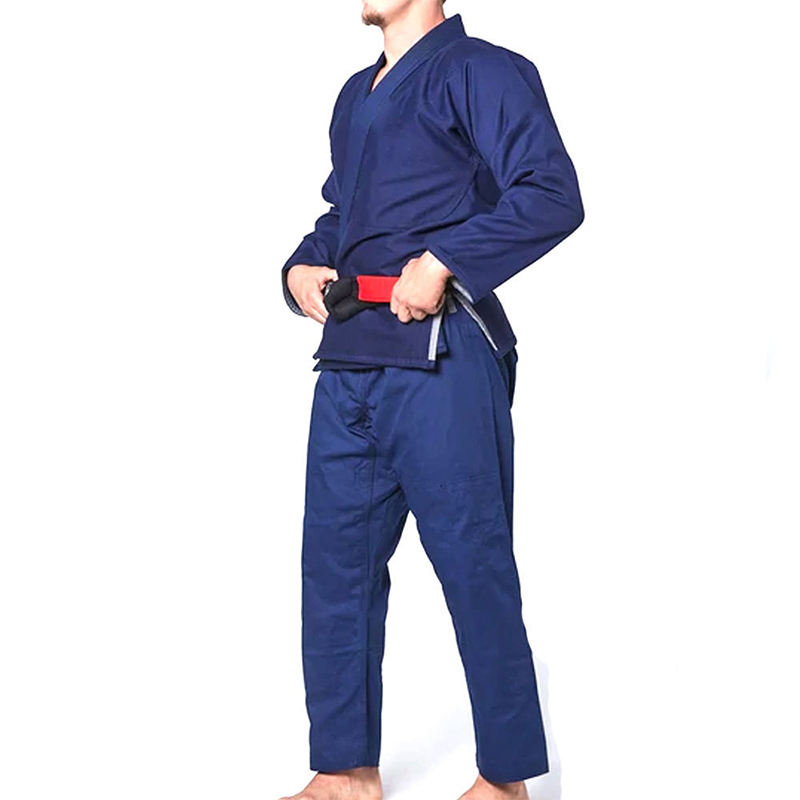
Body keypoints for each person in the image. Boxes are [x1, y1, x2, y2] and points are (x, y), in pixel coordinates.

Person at [279, 2, 583, 798]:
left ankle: (506, 781)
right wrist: (301, 266)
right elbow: (345, 216)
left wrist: (446, 260)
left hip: (441, 358)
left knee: (474, 567)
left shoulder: (482, 71)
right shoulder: (355, 94)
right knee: (334, 572)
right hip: (350, 359)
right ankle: (345, 771)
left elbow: (552, 192)